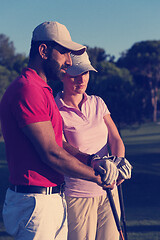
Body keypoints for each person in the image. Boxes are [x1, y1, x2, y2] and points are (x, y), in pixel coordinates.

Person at [0, 21, 119, 240]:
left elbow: (59, 144)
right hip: (35, 203)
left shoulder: (42, 90)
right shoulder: (28, 89)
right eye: (63, 52)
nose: (69, 61)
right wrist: (97, 176)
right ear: (43, 51)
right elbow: (50, 153)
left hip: (51, 200)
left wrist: (92, 160)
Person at [55, 52, 132, 240]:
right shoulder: (56, 108)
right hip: (77, 195)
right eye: (75, 74)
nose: (82, 80)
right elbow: (61, 146)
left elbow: (115, 139)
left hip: (108, 190)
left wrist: (119, 161)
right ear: (62, 74)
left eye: (86, 73)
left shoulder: (98, 102)